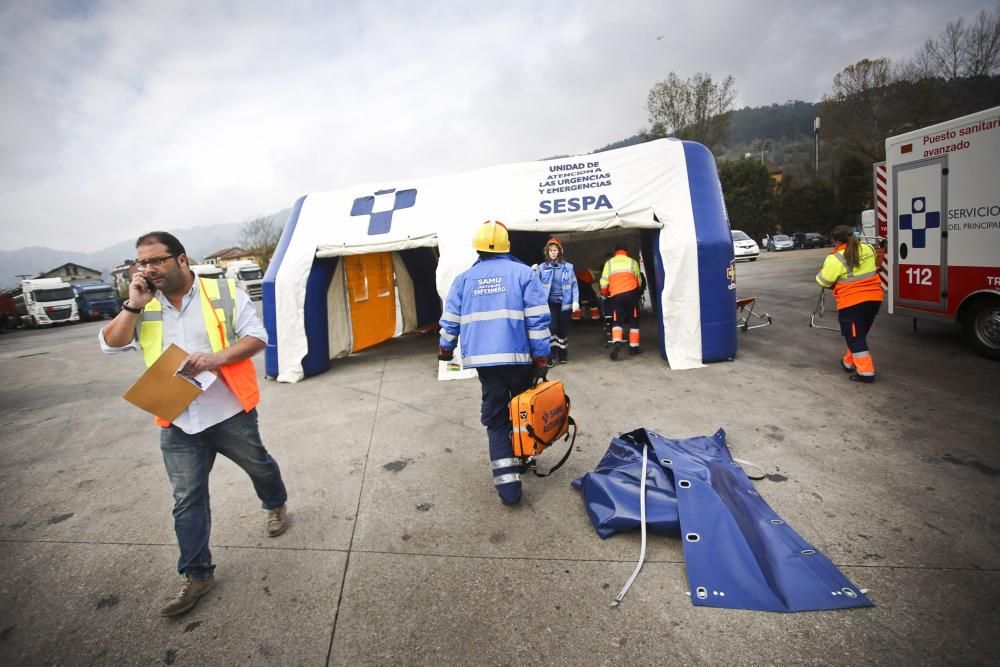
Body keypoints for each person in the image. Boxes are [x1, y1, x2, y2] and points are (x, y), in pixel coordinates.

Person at [100, 231, 289, 617]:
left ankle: (276, 504)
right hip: (178, 420)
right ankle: (198, 574)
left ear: (181, 260)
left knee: (259, 466)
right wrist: (133, 306)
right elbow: (111, 344)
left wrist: (215, 359)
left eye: (157, 261)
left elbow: (257, 337)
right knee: (187, 499)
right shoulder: (142, 303)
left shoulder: (222, 291)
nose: (148, 269)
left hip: (228, 412)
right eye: (143, 262)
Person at [438, 221, 551, 505]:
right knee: (521, 410)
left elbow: (450, 320)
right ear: (507, 247)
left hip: (485, 364)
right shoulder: (525, 274)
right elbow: (538, 321)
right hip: (519, 360)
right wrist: (541, 359)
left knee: (497, 420)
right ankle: (523, 459)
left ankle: (508, 489)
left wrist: (445, 348)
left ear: (478, 247)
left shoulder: (464, 280)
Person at [815, 225, 884, 383]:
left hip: (852, 302)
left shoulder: (835, 258)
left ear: (836, 241)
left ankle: (866, 373)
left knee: (854, 337)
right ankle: (848, 362)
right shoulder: (868, 248)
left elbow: (823, 281)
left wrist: (822, 272)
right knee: (858, 334)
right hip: (874, 299)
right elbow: (874, 264)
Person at [536, 238, 579, 365]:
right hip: (549, 303)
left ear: (559, 251)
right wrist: (532, 270)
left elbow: (574, 285)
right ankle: (551, 356)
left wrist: (575, 301)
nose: (553, 253)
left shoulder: (568, 267)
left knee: (562, 330)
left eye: (555, 250)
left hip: (565, 303)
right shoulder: (542, 268)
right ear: (547, 252)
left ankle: (563, 355)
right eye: (551, 251)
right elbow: (533, 281)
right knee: (552, 328)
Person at [600, 244, 643, 360]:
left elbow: (603, 283)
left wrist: (605, 293)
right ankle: (634, 348)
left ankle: (617, 342)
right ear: (626, 252)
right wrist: (637, 291)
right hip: (631, 295)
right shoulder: (632, 262)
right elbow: (639, 280)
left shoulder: (609, 263)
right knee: (633, 321)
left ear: (615, 252)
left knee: (617, 321)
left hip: (616, 296)